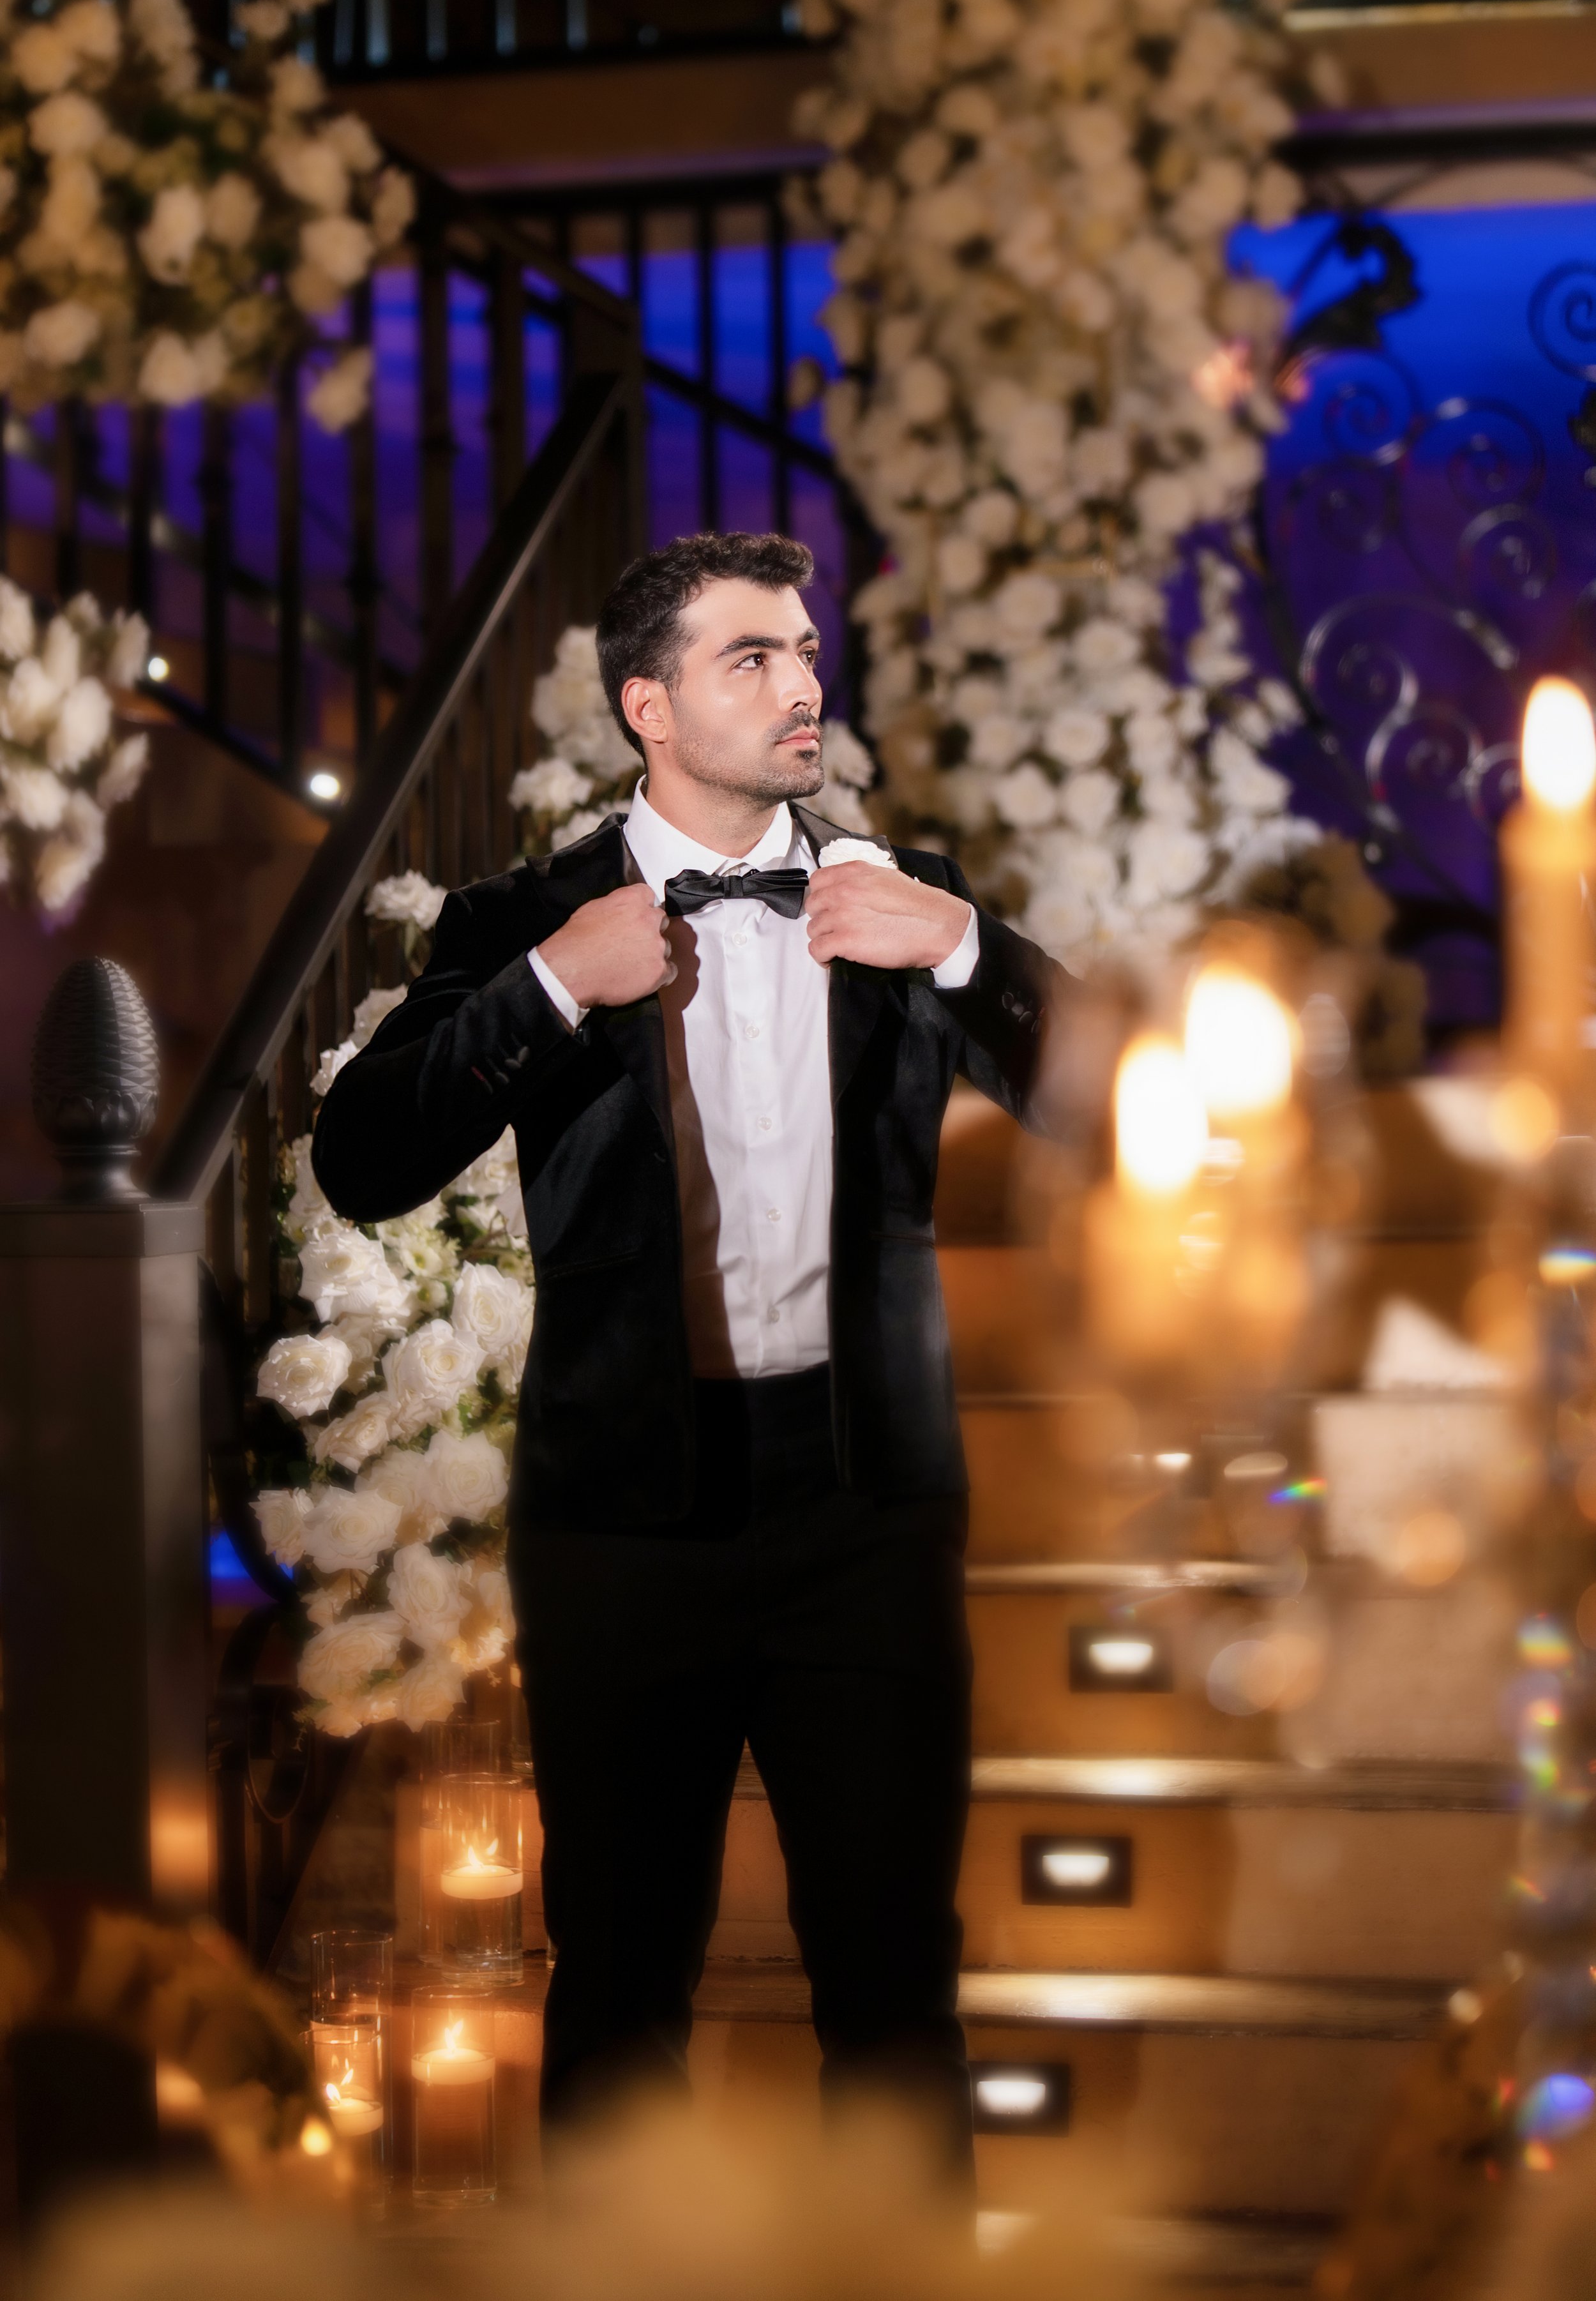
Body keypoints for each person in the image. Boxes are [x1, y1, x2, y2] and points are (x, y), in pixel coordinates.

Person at [312, 531, 1062, 2175]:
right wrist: (544, 990)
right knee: (620, 1994)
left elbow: (1109, 1104)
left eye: (802, 651)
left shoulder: (890, 893)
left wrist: (954, 943)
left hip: (866, 1511)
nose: (802, 685)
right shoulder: (523, 916)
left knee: (889, 1991)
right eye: (751, 659)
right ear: (649, 705)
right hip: (620, 1524)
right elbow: (358, 1162)